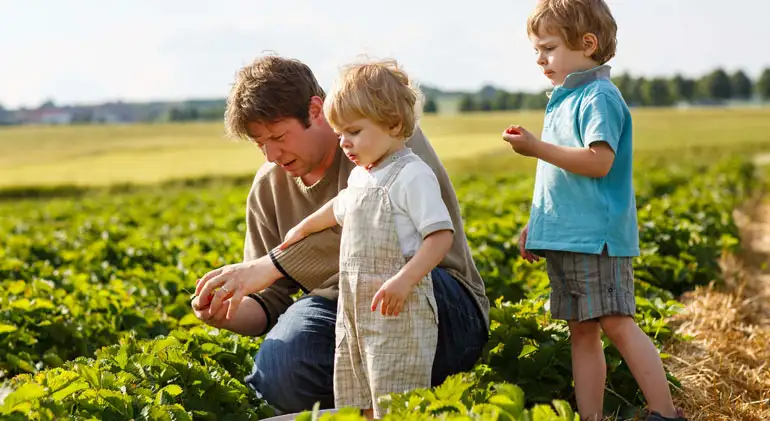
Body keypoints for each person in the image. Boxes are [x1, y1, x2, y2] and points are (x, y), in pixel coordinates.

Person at [190, 54, 490, 415]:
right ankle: (364, 407)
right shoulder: (268, 187)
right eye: (260, 144)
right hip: (342, 310)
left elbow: (376, 221)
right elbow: (270, 303)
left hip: (431, 290)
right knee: (280, 368)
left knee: (381, 312)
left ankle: (401, 401)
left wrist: (273, 264)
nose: (271, 155)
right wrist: (227, 313)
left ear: (316, 110)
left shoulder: (386, 138)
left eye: (278, 136)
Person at [501, 1, 686, 421]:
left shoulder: (598, 96)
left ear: (588, 44)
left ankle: (665, 412)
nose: (540, 59)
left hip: (595, 238)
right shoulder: (565, 99)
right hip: (568, 235)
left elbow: (598, 161)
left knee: (617, 323)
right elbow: (560, 180)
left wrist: (535, 148)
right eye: (536, 50)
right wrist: (538, 225)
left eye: (548, 48)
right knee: (581, 332)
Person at [277, 58, 453, 419]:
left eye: (354, 132)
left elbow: (439, 236)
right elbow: (339, 207)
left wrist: (404, 281)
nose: (344, 143)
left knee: (397, 390)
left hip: (398, 308)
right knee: (358, 387)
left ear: (393, 123)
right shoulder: (362, 176)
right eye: (340, 134)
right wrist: (304, 227)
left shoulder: (411, 175)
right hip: (356, 308)